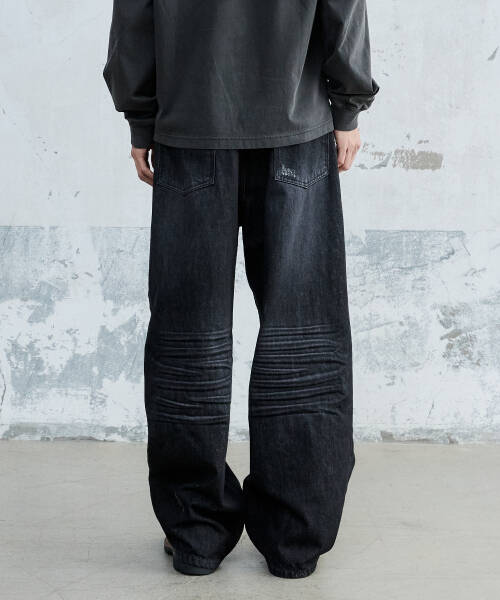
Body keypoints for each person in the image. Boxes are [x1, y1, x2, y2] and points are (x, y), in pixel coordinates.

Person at [103, 0, 379, 579]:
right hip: (297, 128)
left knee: (188, 341)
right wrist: (348, 107)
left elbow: (134, 18)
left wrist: (140, 117)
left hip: (190, 129)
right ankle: (294, 539)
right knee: (304, 341)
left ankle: (197, 535)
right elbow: (344, 8)